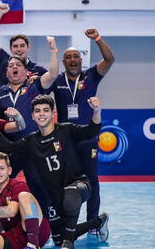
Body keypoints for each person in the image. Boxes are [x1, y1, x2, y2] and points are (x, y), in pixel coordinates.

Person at [0, 96, 110, 249]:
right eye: (37, 111)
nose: (41, 114)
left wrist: (97, 111)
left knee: (70, 197)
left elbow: (92, 130)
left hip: (79, 185)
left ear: (53, 113)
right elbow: (9, 148)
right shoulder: (30, 141)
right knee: (58, 237)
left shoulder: (66, 130)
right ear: (32, 116)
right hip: (55, 198)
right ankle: (99, 221)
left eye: (46, 110)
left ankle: (68, 244)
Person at [48, 29, 114, 224]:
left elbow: (109, 60)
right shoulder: (57, 80)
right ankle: (65, 222)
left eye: (76, 56)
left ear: (81, 60)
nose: (73, 60)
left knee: (92, 179)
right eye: (68, 57)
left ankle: (92, 221)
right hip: (65, 141)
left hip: (88, 139)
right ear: (64, 62)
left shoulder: (91, 76)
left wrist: (98, 39)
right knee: (63, 182)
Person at [0, 37, 58, 213]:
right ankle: (2, 219)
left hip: (34, 147)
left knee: (38, 183)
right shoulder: (0, 93)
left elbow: (53, 75)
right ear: (6, 73)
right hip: (10, 148)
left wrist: (54, 51)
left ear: (26, 72)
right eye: (10, 66)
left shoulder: (34, 86)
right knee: (1, 182)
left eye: (18, 66)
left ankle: (48, 221)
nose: (13, 68)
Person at [0, 152, 51, 249]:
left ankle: (33, 245)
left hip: (38, 232)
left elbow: (11, 211)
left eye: (2, 168)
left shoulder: (18, 185)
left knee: (24, 196)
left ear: (9, 171)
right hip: (15, 237)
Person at [0, 3, 48, 85]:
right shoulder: (4, 61)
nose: (19, 49)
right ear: (10, 48)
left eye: (22, 45)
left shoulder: (39, 71)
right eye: (15, 46)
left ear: (28, 47)